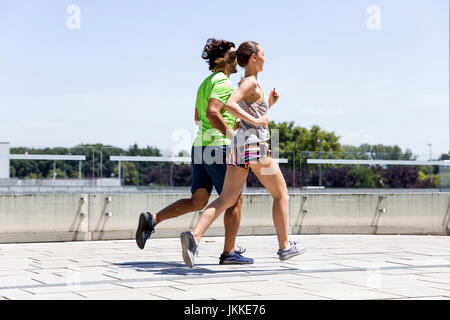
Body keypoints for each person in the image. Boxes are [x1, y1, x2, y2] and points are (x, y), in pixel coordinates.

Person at [135, 38, 269, 265]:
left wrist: (230, 123)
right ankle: (229, 252)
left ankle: (152, 219)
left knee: (198, 200)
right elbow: (212, 112)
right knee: (234, 200)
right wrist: (232, 134)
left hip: (200, 146)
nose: (238, 59)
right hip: (219, 147)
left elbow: (199, 118)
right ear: (225, 58)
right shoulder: (224, 83)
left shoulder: (205, 83)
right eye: (234, 54)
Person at [180, 41, 307, 268]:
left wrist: (268, 104)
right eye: (263, 55)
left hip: (239, 147)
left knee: (226, 199)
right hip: (254, 147)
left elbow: (244, 117)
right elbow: (230, 106)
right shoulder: (249, 82)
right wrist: (256, 120)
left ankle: (195, 236)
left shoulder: (244, 82)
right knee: (281, 195)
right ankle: (285, 246)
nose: (265, 59)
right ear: (253, 59)